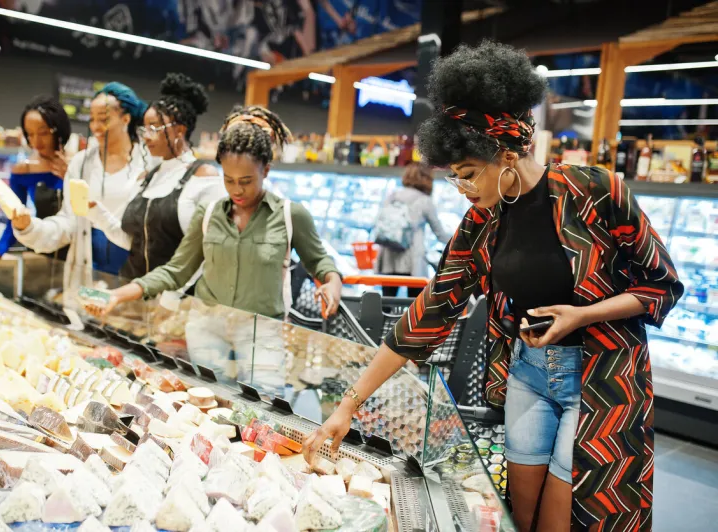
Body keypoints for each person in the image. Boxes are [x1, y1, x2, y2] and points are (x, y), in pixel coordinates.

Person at [304, 41, 682, 532]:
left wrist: (581, 315)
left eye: (467, 175)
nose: (462, 189)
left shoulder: (595, 193)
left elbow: (662, 284)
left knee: (567, 518)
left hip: (599, 381)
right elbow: (430, 313)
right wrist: (347, 406)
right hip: (526, 377)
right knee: (516, 518)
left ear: (505, 153)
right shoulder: (480, 225)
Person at [87, 106, 343, 392]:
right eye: (229, 180)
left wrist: (332, 283)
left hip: (260, 330)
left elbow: (321, 261)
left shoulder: (290, 215)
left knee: (266, 401)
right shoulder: (208, 215)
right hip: (206, 325)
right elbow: (176, 271)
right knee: (211, 401)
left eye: (246, 181)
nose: (237, 190)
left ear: (266, 170)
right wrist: (118, 295)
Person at [12, 82, 148, 301]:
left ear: (126, 118)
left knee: (133, 326)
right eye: (92, 119)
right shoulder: (81, 163)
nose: (95, 126)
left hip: (135, 271)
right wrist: (30, 228)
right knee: (94, 320)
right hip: (90, 271)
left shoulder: (148, 163)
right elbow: (69, 222)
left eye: (104, 119)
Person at [87, 73, 224, 279]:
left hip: (180, 298)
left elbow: (212, 251)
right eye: (144, 128)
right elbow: (134, 243)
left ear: (180, 130)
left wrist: (176, 297)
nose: (147, 136)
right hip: (134, 290)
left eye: (155, 128)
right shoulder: (146, 179)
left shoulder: (203, 176)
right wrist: (98, 213)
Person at [0, 96, 71, 292]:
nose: (36, 141)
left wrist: (71, 175)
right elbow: (14, 218)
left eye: (43, 133)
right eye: (30, 134)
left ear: (58, 129)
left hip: (79, 258)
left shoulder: (79, 163)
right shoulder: (24, 170)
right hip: (41, 256)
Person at [375, 162, 449, 298]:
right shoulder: (424, 201)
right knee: (415, 305)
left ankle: (387, 320)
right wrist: (461, 241)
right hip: (412, 260)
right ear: (427, 179)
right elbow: (439, 233)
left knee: (386, 302)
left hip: (389, 256)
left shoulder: (393, 196)